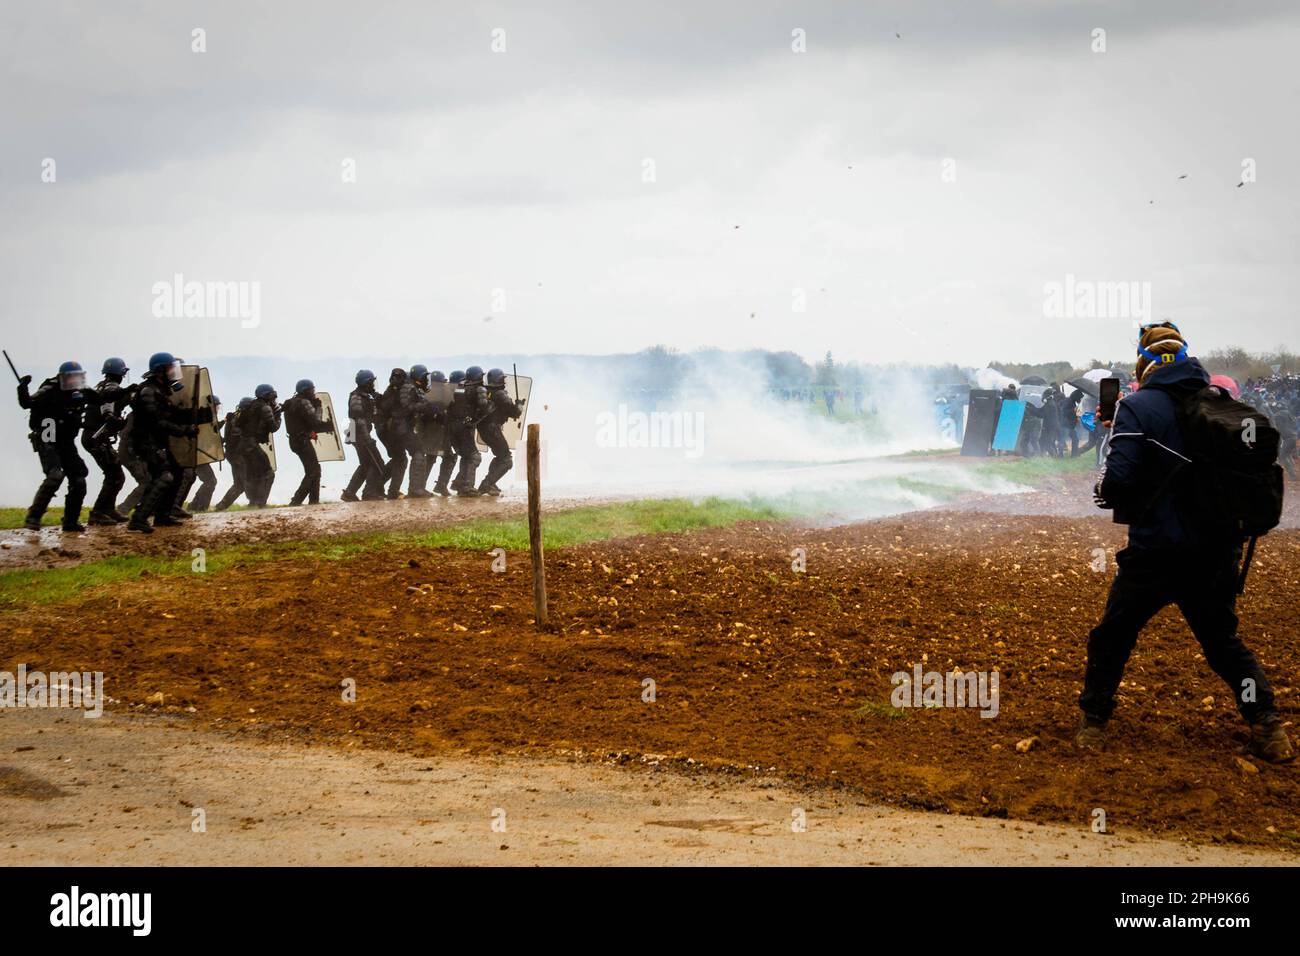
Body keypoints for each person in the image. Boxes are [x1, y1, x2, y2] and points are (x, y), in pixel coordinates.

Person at [1078, 322, 1292, 762]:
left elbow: (1118, 482)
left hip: (1156, 552)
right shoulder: (1221, 404)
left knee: (1112, 638)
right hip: (1216, 553)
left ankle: (1094, 723)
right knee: (1222, 644)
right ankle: (1268, 725)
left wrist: (1112, 453)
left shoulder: (1136, 408)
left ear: (1146, 360)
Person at [126, 352, 208, 533]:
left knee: (178, 474)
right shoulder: (149, 391)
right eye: (171, 368)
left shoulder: (161, 390)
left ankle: (162, 516)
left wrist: (200, 416)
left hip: (157, 441)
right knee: (164, 476)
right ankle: (138, 519)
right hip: (147, 442)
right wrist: (184, 431)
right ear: (160, 370)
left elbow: (170, 415)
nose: (174, 372)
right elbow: (158, 422)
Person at [17, 360, 92, 532]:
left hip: (66, 440)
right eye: (71, 378)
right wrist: (22, 387)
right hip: (47, 435)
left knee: (79, 477)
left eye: (77, 377)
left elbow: (102, 396)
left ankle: (70, 521)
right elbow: (27, 403)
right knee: (55, 475)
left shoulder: (82, 392)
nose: (74, 381)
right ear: (61, 378)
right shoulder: (49, 389)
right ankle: (33, 517)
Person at [81, 357, 136, 525]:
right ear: (121, 373)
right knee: (115, 475)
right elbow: (109, 413)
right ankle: (98, 512)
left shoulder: (101, 385)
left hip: (94, 437)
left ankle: (108, 509)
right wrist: (122, 422)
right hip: (98, 438)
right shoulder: (112, 389)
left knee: (115, 475)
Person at [282, 379, 333, 506]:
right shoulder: (304, 402)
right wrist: (318, 407)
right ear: (306, 390)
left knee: (314, 470)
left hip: (295, 440)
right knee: (313, 471)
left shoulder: (292, 403)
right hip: (302, 440)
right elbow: (316, 422)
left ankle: (314, 501)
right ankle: (296, 501)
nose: (313, 392)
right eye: (312, 390)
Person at [476, 367, 523, 496]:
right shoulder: (500, 394)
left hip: (485, 429)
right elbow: (514, 412)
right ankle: (487, 484)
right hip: (492, 429)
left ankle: (491, 483)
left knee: (500, 456)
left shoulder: (487, 392)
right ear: (499, 380)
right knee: (506, 460)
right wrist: (519, 405)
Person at [341, 370, 387, 501]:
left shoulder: (365, 395)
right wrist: (368, 439)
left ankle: (349, 493)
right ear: (366, 383)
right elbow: (359, 420)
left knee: (366, 464)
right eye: (371, 382)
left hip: (357, 434)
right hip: (359, 434)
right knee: (377, 463)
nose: (373, 384)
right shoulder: (356, 397)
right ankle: (369, 493)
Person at [236, 384, 281, 507]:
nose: (274, 398)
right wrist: (278, 415)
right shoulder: (264, 408)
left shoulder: (251, 405)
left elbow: (239, 424)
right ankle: (260, 503)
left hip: (244, 445)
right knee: (268, 473)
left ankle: (253, 502)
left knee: (254, 475)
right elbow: (274, 427)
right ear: (266, 395)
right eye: (272, 395)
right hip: (252, 445)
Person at [448, 365, 487, 496]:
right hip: (463, 428)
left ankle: (459, 485)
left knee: (466, 456)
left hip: (452, 428)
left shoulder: (458, 389)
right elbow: (484, 406)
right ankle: (467, 487)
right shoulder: (477, 389)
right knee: (475, 457)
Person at [212, 398, 253, 511]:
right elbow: (236, 437)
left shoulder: (236, 417)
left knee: (239, 485)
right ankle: (255, 503)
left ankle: (220, 506)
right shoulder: (237, 419)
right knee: (245, 480)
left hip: (234, 454)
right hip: (236, 454)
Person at [375, 368, 408, 499]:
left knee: (397, 459)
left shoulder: (391, 391)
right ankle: (393, 490)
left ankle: (378, 485)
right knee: (401, 459)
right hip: (389, 431)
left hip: (385, 430)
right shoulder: (394, 393)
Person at [431, 371, 461, 497]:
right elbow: (437, 414)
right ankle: (440, 486)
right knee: (447, 457)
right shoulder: (437, 396)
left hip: (439, 435)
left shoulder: (435, 394)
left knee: (447, 457)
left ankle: (440, 486)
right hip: (437, 435)